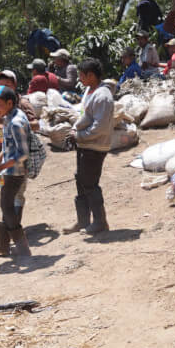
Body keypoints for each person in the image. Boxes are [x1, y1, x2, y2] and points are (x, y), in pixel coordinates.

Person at [63, 58, 114, 235]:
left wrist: (79, 135)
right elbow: (85, 115)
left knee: (90, 183)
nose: (80, 79)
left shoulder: (102, 96)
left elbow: (99, 127)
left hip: (95, 146)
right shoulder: (89, 91)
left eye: (82, 75)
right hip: (85, 144)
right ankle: (83, 221)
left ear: (91, 75)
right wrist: (74, 129)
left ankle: (100, 222)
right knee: (81, 179)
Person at [0, 85, 31, 257]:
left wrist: (0, 168)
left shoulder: (16, 122)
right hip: (9, 170)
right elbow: (8, 146)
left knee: (6, 206)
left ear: (9, 103)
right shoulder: (9, 117)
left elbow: (22, 154)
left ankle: (22, 248)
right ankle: (4, 245)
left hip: (15, 172)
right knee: (6, 206)